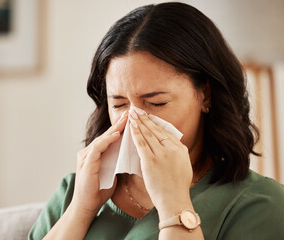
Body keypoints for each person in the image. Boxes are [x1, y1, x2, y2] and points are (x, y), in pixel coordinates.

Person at [28, 2, 284, 240]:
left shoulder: (259, 203)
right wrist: (81, 209)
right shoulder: (75, 190)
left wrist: (174, 204)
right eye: (119, 104)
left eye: (156, 103)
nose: (134, 120)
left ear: (205, 95)